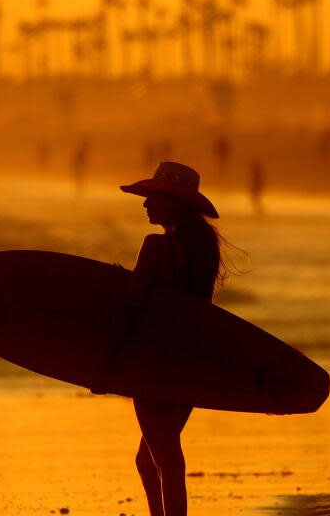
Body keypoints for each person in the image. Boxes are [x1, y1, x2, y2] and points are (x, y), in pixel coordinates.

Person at [118, 161, 225, 516]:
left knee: (164, 458)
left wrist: (104, 367)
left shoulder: (155, 247)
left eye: (152, 198)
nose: (145, 204)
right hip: (193, 362)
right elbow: (192, 306)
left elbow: (131, 309)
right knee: (151, 459)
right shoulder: (205, 249)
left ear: (172, 204)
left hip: (154, 363)